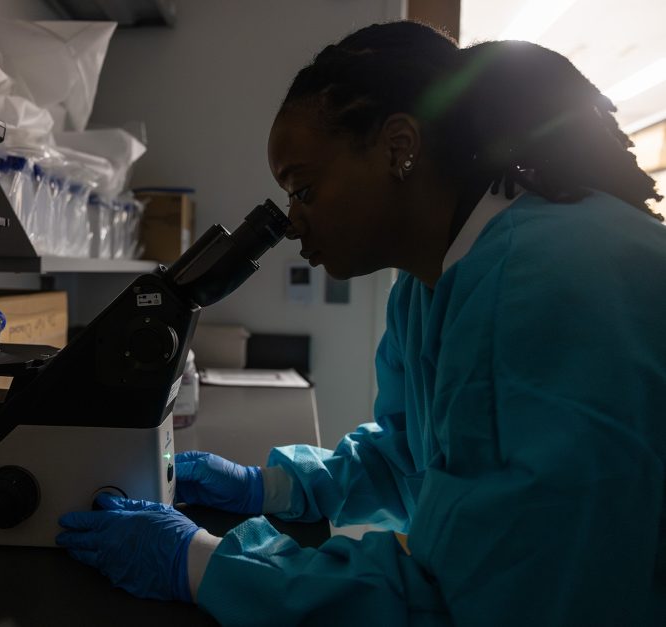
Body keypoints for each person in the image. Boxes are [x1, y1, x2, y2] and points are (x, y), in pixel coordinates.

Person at [56, 21, 666, 626]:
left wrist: (201, 564)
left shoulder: (543, 284)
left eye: (304, 188)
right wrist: (268, 487)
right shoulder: (432, 284)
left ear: (399, 147)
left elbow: (483, 598)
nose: (292, 222)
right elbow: (414, 459)